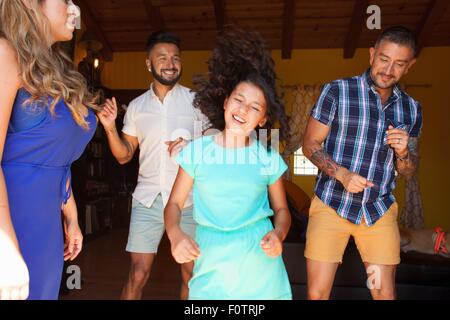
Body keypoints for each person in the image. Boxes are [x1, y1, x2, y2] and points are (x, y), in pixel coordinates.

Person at [164, 26, 292, 300]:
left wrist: (279, 234)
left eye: (255, 107)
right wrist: (175, 234)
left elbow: (282, 209)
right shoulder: (196, 152)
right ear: (225, 103)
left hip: (260, 265)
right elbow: (173, 204)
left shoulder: (268, 157)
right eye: (239, 100)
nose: (244, 110)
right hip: (212, 263)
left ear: (263, 120)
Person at [302, 26, 423, 300]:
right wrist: (342, 175)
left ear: (409, 66)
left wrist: (404, 153)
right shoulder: (337, 91)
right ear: (372, 54)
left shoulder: (411, 109)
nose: (389, 69)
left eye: (399, 64)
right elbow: (309, 145)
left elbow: (408, 170)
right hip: (332, 205)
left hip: (377, 212)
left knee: (382, 293)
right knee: (317, 294)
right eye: (384, 59)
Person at [98, 31, 208, 300]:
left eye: (175, 58)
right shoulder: (136, 107)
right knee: (137, 274)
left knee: (192, 274)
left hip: (189, 200)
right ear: (149, 64)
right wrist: (110, 128)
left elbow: (213, 148)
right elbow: (124, 155)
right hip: (147, 199)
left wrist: (191, 147)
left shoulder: (197, 102)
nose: (170, 63)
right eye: (162, 57)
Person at [0, 0, 99, 300]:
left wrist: (71, 215)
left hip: (46, 225)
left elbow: (56, 159)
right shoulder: (5, 55)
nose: (75, 9)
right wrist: (4, 244)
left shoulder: (56, 68)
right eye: (65, 0)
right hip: (12, 220)